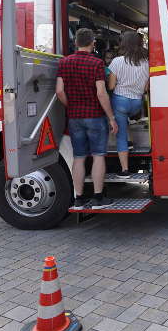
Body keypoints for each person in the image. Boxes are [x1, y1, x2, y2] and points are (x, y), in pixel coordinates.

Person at [56, 28, 118, 208]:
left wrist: (71, 105)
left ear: (75, 43)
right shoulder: (96, 63)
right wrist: (111, 117)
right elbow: (101, 93)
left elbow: (59, 91)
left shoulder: (64, 63)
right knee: (98, 156)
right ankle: (98, 198)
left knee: (79, 158)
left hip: (75, 117)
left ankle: (79, 199)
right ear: (93, 43)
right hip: (95, 116)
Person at [107, 30, 149, 176]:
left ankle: (125, 170)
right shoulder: (147, 63)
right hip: (137, 103)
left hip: (120, 101)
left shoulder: (117, 62)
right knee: (127, 120)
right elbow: (146, 88)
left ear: (124, 44)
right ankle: (130, 139)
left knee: (120, 135)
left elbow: (111, 86)